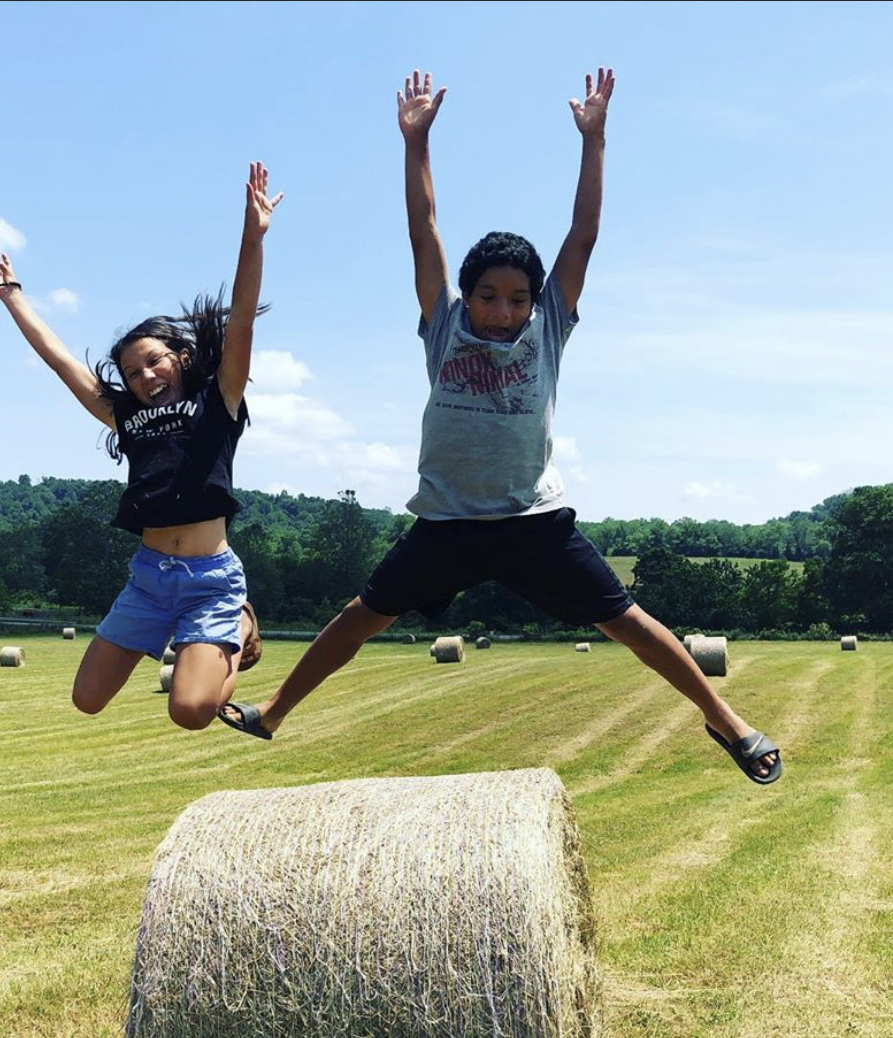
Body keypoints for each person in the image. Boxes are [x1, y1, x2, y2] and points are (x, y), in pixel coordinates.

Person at [220, 72, 781, 785]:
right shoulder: (444, 326)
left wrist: (594, 141)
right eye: (489, 296)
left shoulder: (548, 332)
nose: (503, 310)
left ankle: (726, 721)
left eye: (517, 298)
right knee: (359, 617)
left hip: (532, 523)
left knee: (631, 623)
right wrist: (416, 141)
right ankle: (273, 711)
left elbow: (583, 235)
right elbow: (423, 229)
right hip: (447, 524)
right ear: (466, 296)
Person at [0, 162, 280, 730]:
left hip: (211, 580)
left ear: (180, 358)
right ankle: (212, 643)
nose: (145, 375)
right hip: (149, 576)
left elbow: (240, 323)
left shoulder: (220, 401)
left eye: (154, 360)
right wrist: (12, 296)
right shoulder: (127, 417)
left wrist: (252, 236)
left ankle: (238, 626)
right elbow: (62, 362)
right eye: (132, 371)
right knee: (86, 699)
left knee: (190, 712)